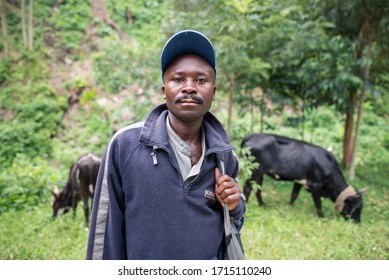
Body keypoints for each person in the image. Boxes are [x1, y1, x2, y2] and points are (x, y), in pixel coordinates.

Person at [86, 30, 245, 260]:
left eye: (201, 80)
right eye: (178, 79)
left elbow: (235, 223)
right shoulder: (125, 146)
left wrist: (233, 204)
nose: (189, 87)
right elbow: (104, 232)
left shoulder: (224, 156)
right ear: (164, 91)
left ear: (213, 92)